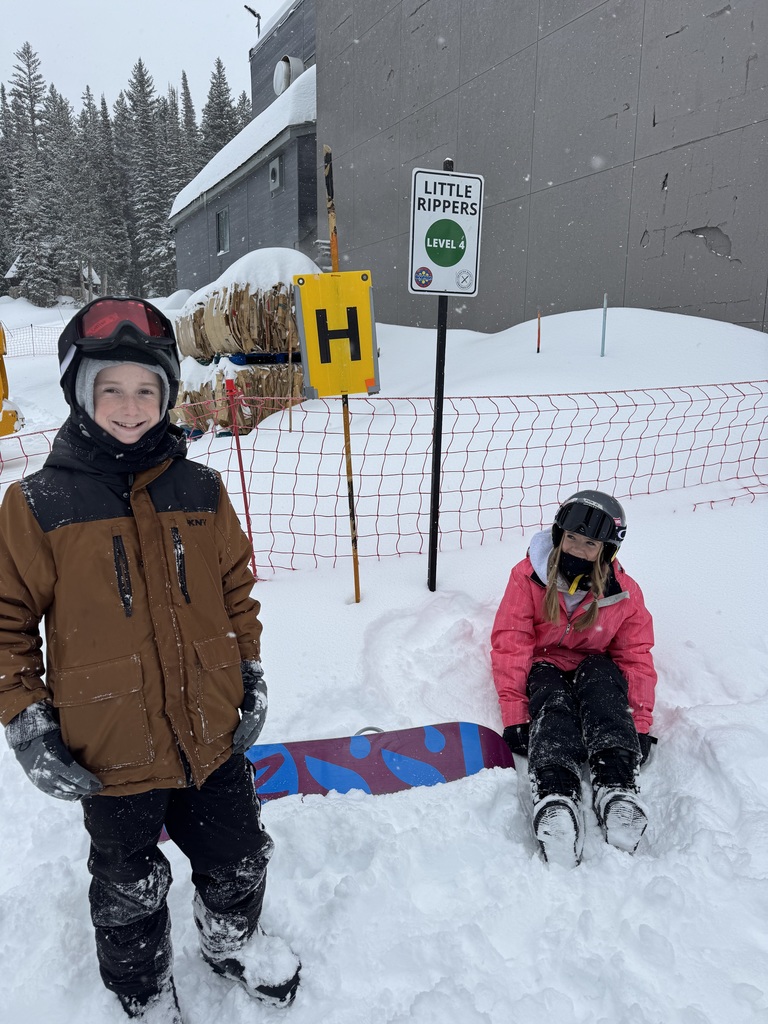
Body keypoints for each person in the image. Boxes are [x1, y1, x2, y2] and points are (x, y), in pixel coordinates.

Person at [0, 297, 300, 1022]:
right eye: (111, 389)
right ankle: (140, 988)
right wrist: (29, 725)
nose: (130, 406)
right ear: (81, 393)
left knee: (239, 855)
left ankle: (231, 940)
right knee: (127, 885)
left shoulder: (201, 489)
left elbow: (235, 591)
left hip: (210, 733)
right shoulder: (39, 503)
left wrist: (248, 670)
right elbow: (7, 624)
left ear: (166, 396)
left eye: (146, 389)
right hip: (112, 751)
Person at [490, 490, 658, 868]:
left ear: (607, 551)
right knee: (552, 705)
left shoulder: (622, 594)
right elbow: (511, 643)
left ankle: (616, 787)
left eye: (590, 544)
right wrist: (516, 715)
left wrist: (640, 724)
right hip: (544, 664)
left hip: (592, 663)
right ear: (558, 536)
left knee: (603, 689)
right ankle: (556, 794)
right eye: (572, 539)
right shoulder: (527, 578)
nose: (579, 549)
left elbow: (634, 655)